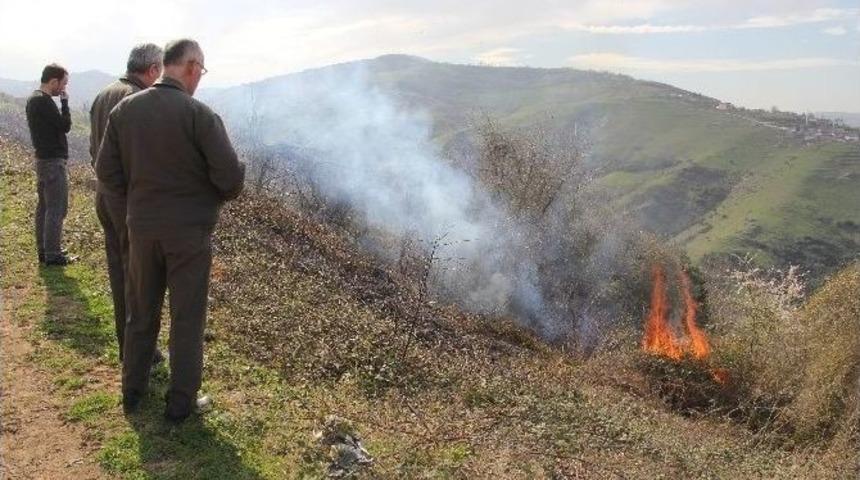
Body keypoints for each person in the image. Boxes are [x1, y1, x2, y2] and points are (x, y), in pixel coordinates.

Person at [96, 38, 245, 423]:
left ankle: (132, 391)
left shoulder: (125, 110)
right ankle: (180, 404)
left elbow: (106, 173)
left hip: (141, 229)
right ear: (192, 67)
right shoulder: (200, 116)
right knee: (186, 317)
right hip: (189, 234)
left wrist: (139, 204)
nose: (200, 79)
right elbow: (230, 180)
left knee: (139, 311)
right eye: (202, 71)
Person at [90, 43, 164, 363]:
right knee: (139, 277)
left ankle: (127, 345)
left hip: (105, 196)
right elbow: (143, 161)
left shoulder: (104, 93)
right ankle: (139, 351)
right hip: (128, 202)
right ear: (151, 70)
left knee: (120, 273)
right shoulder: (136, 100)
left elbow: (97, 150)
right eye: (159, 71)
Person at [25, 64, 75, 266]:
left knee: (44, 207)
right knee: (57, 207)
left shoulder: (33, 99)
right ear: (53, 81)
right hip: (53, 161)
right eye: (63, 84)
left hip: (42, 159)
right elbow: (65, 126)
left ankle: (45, 249)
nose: (63, 89)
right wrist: (64, 103)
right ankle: (53, 254)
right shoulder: (44, 102)